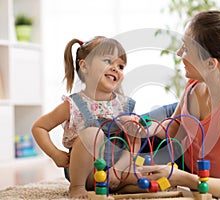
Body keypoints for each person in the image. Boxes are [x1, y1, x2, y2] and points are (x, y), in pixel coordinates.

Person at [137, 10, 220, 198]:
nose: (179, 54)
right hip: (182, 154)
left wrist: (183, 178)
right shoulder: (198, 81)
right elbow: (175, 126)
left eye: (186, 49)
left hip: (192, 170)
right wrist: (149, 129)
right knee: (120, 139)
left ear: (211, 64)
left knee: (125, 173)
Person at [32, 36, 141, 198]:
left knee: (145, 169)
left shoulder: (124, 106)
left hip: (116, 172)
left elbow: (134, 142)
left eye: (120, 66)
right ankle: (76, 187)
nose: (115, 68)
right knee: (92, 134)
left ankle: (120, 186)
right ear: (84, 66)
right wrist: (56, 154)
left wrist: (118, 171)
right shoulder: (73, 105)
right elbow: (39, 127)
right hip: (86, 175)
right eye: (107, 61)